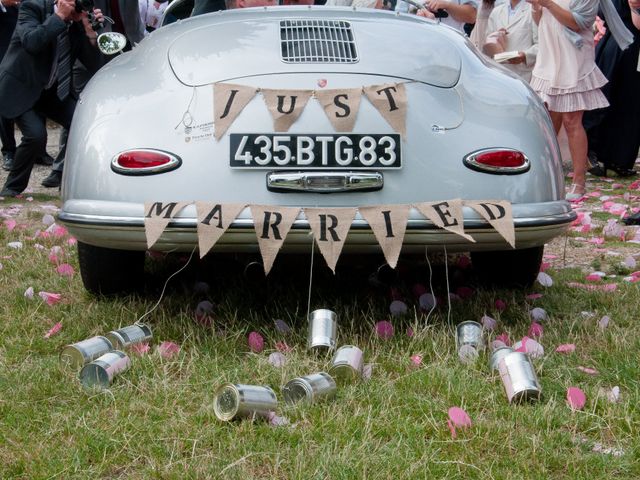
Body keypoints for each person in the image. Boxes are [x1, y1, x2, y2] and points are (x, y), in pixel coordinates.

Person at [0, 0, 104, 197]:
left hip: (51, 91)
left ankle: (69, 184)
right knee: (36, 136)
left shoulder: (78, 20)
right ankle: (12, 188)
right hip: (21, 86)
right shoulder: (32, 7)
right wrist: (59, 18)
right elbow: (32, 42)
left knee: (83, 124)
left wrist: (90, 33)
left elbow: (92, 64)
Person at [527, 0, 614, 201]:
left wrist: (547, 4)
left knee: (572, 120)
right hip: (549, 57)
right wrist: (535, 6)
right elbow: (540, 21)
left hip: (573, 59)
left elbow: (578, 23)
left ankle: (579, 181)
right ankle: (545, 177)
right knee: (548, 120)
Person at [583, 0, 640, 177]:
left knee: (627, 102)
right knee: (608, 100)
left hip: (627, 44)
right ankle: (595, 153)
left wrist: (634, 8)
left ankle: (616, 158)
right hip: (615, 45)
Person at [484, 0, 538, 81]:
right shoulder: (496, 12)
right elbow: (487, 47)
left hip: (523, 76)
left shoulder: (534, 10)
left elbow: (542, 45)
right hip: (498, 75)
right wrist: (495, 38)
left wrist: (525, 55)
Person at [0, 0, 19, 171]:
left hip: (28, 52)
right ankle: (8, 151)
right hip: (3, 51)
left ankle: (39, 152)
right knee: (4, 104)